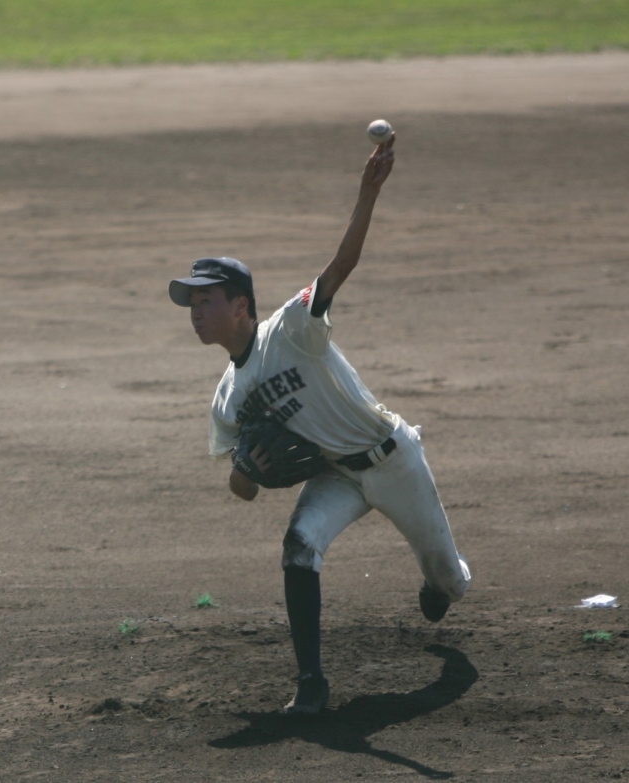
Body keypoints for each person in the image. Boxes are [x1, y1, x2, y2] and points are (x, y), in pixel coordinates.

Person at [168, 134, 470, 715]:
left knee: (451, 584)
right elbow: (240, 487)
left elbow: (341, 266)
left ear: (240, 305)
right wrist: (246, 469)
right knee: (299, 547)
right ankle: (311, 684)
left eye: (206, 301)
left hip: (393, 457)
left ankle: (440, 586)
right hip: (336, 476)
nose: (196, 313)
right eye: (192, 305)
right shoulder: (228, 395)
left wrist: (367, 193)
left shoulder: (291, 328)